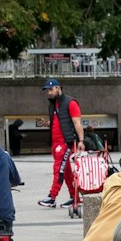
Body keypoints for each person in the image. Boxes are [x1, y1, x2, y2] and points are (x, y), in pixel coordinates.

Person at [38, 79, 86, 209]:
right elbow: (59, 122)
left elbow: (77, 123)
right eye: (48, 90)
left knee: (58, 169)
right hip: (56, 142)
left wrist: (81, 141)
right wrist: (48, 124)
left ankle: (52, 197)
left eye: (51, 89)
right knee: (66, 172)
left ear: (58, 88)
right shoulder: (53, 104)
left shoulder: (70, 103)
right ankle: (75, 197)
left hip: (66, 142)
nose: (49, 92)